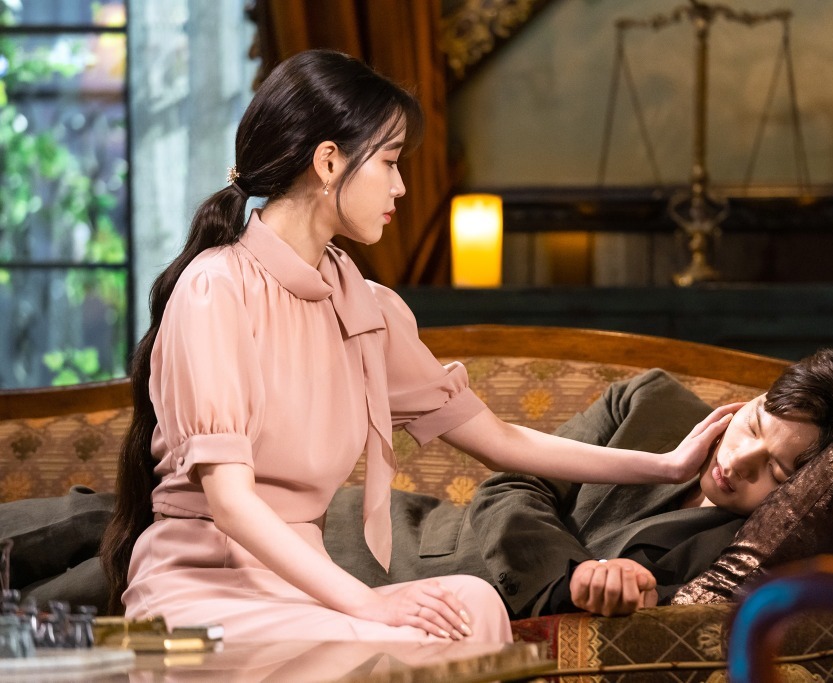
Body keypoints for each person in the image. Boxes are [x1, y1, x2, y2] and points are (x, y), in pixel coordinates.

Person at [97, 49, 744, 645]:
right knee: (412, 637)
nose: (401, 187)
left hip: (305, 588)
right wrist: (368, 603)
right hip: (207, 591)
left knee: (475, 603)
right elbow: (232, 503)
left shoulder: (364, 306)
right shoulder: (215, 288)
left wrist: (666, 466)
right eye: (389, 161)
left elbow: (500, 440)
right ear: (329, 163)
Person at [326, 348, 833, 619]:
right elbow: (513, 484)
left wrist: (628, 595)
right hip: (381, 542)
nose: (739, 460)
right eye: (753, 425)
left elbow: (669, 611)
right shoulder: (649, 401)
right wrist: (569, 578)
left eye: (778, 471)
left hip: (437, 620)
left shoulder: (763, 551)